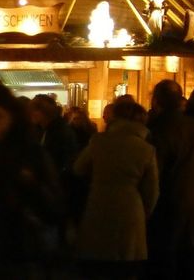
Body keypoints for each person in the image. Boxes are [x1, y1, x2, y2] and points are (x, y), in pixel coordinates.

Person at [0, 83, 65, 278]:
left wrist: (30, 184)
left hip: (17, 251)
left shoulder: (28, 154)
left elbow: (54, 206)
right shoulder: (26, 151)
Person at [73, 96, 159, 279]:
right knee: (126, 265)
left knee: (99, 265)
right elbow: (152, 192)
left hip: (98, 205)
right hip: (131, 211)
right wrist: (144, 214)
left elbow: (78, 168)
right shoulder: (146, 149)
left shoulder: (98, 142)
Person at [146, 79, 194, 280]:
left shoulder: (157, 128)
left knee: (164, 261)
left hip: (166, 204)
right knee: (189, 262)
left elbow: (154, 172)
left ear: (156, 101)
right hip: (193, 202)